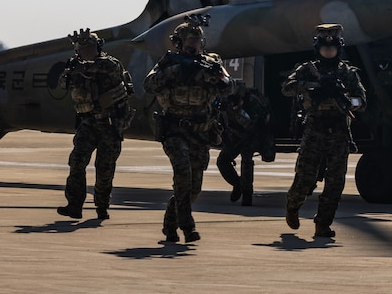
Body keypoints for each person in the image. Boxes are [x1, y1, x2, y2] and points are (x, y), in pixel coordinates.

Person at [144, 18, 233, 242]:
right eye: (190, 41)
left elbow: (229, 87)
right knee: (183, 174)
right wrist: (176, 71)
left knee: (193, 188)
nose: (195, 46)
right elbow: (149, 85)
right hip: (175, 128)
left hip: (201, 131)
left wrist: (215, 76)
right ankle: (188, 227)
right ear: (179, 43)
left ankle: (170, 223)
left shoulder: (211, 63)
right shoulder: (168, 62)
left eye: (198, 41)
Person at [282, 23, 367, 238]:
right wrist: (312, 86)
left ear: (339, 48)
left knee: (335, 182)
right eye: (324, 48)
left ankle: (323, 224)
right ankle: (292, 207)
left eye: (332, 48)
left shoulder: (347, 73)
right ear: (318, 48)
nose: (328, 51)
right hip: (314, 129)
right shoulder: (307, 70)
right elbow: (287, 88)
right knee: (305, 178)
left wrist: (349, 102)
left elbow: (362, 100)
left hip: (339, 131)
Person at [56, 29, 133, 220]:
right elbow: (62, 83)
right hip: (88, 123)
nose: (87, 52)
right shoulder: (76, 66)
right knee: (76, 162)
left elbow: (96, 67)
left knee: (104, 168)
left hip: (110, 125)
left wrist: (79, 66)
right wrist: (69, 71)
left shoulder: (109, 63)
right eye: (83, 50)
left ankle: (102, 206)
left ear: (98, 48)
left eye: (90, 48)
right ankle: (74, 205)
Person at [216, 80, 275, 207]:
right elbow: (222, 120)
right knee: (223, 160)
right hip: (236, 134)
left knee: (246, 159)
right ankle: (237, 184)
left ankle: (247, 194)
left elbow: (258, 123)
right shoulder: (226, 100)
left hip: (254, 135)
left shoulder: (253, 101)